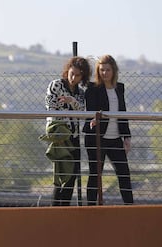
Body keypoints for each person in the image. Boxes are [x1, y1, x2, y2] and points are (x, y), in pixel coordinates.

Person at [83, 54, 133, 205]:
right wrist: (93, 119)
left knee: (124, 174)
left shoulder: (120, 88)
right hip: (97, 138)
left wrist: (127, 137)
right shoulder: (92, 89)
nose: (104, 73)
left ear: (114, 70)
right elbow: (91, 110)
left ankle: (130, 207)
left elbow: (122, 112)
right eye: (101, 70)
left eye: (107, 70)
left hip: (115, 138)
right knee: (95, 174)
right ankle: (91, 208)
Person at [45, 56, 91, 206]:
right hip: (60, 136)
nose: (73, 77)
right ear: (67, 71)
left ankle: (64, 208)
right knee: (60, 175)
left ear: (82, 76)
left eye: (78, 75)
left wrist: (71, 101)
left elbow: (83, 110)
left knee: (72, 174)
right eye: (72, 73)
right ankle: (55, 210)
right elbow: (50, 106)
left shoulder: (80, 93)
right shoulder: (56, 85)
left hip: (75, 137)